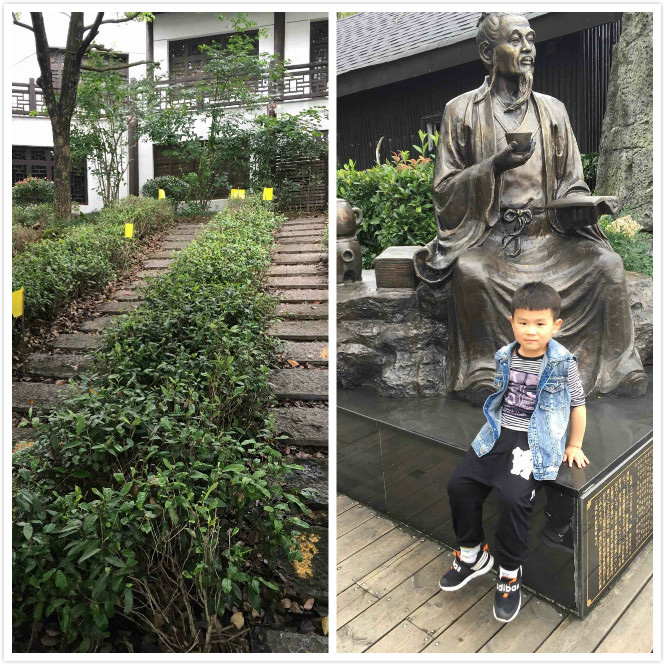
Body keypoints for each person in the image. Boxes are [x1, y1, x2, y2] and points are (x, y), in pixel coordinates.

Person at [413, 11, 647, 402]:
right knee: (471, 272)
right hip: (495, 242)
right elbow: (444, 189)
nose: (527, 49)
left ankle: (617, 365)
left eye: (530, 39)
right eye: (515, 40)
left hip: (549, 239)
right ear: (487, 52)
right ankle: (484, 369)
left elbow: (572, 181)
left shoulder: (553, 110)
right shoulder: (461, 111)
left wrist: (583, 206)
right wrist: (493, 166)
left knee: (608, 265)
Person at [438, 282, 589, 623]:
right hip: (497, 433)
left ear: (555, 325)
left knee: (512, 497)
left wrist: (574, 444)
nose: (531, 331)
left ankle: (509, 571)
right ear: (512, 322)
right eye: (523, 322)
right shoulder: (505, 356)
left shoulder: (562, 363)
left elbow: (578, 403)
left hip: (535, 441)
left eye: (539, 323)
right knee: (459, 485)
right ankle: (472, 554)